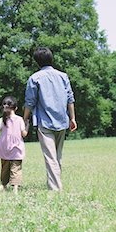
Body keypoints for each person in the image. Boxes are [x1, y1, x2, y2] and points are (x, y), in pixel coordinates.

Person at [23, 47, 77, 191]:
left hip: (44, 122)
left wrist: (25, 119)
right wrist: (72, 118)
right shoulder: (63, 76)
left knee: (50, 157)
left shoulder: (34, 78)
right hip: (62, 120)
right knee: (57, 157)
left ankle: (55, 189)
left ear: (37, 62)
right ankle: (55, 185)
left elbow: (30, 102)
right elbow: (70, 98)